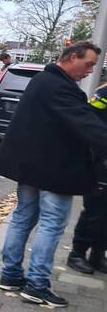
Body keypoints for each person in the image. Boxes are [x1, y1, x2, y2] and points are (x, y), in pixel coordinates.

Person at [0, 42, 107, 307]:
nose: (91, 71)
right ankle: (37, 285)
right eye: (89, 64)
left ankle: (10, 276)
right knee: (52, 224)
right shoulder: (59, 87)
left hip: (31, 166)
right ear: (71, 57)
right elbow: (86, 123)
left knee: (22, 218)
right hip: (55, 170)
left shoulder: (43, 81)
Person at [68, 81, 107, 274]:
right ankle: (77, 254)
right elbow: (93, 123)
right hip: (102, 163)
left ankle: (98, 256)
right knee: (95, 211)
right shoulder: (104, 93)